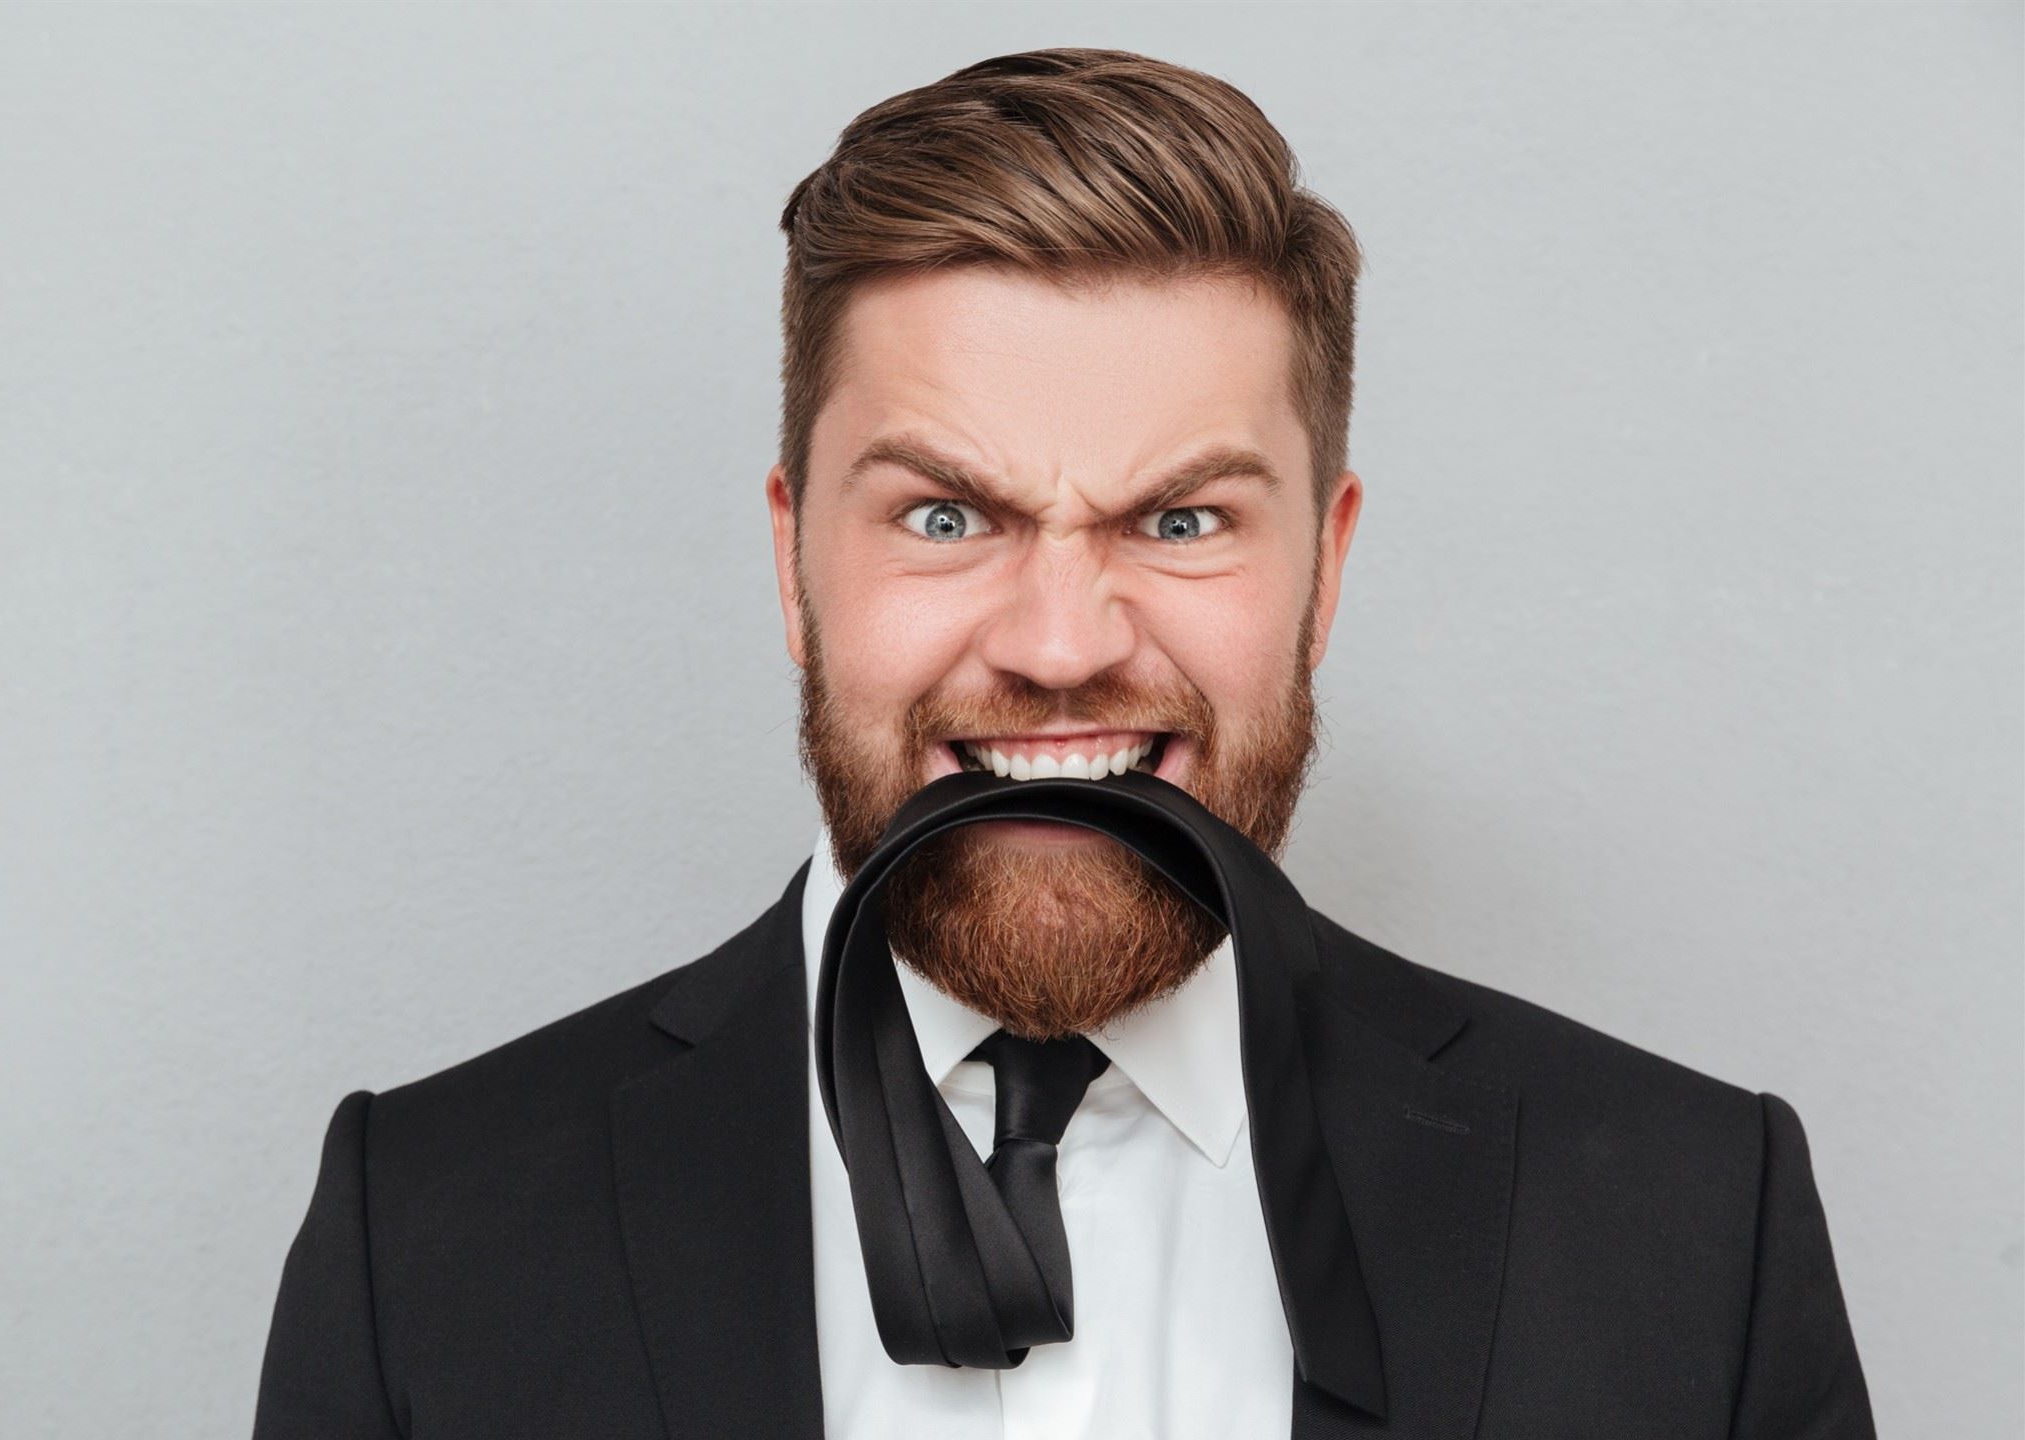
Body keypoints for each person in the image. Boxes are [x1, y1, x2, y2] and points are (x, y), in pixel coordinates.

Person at [251, 47, 1872, 1439]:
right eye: (945, 515)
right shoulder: (428, 1231)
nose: (1059, 643)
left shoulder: (1691, 1224)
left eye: (1181, 518)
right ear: (793, 558)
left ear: (1327, 569)